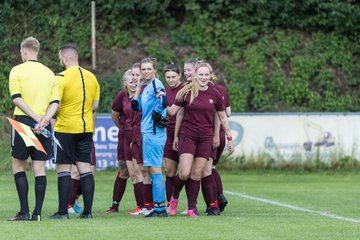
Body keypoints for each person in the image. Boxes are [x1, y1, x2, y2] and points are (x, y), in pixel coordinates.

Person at [167, 61, 234, 217]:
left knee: (197, 173)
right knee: (184, 173)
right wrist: (161, 101)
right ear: (195, 75)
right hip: (188, 136)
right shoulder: (185, 92)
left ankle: (191, 208)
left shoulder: (215, 94)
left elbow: (223, 117)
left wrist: (229, 138)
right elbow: (172, 112)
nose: (203, 77)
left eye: (206, 75)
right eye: (201, 74)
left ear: (209, 76)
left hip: (206, 138)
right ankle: (174, 197)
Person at [8, 36, 59, 221]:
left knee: (18, 164)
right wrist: (44, 119)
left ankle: (24, 212)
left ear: (24, 51)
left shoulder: (17, 70)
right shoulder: (49, 73)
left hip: (23, 122)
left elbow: (16, 98)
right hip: (43, 125)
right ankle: (37, 213)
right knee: (39, 167)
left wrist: (35, 117)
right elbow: (55, 102)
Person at [49, 44, 100, 219]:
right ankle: (88, 212)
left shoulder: (61, 77)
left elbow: (55, 103)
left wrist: (49, 116)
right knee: (85, 169)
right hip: (86, 129)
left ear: (64, 58)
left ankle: (63, 212)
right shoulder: (92, 77)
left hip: (65, 129)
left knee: (64, 170)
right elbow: (95, 105)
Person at [131, 57, 168, 217]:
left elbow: (164, 100)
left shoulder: (156, 84)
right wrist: (138, 87)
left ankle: (160, 209)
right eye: (143, 69)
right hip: (146, 132)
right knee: (151, 169)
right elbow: (135, 105)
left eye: (148, 69)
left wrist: (156, 113)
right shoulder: (146, 87)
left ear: (154, 70)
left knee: (154, 169)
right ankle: (158, 207)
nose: (146, 72)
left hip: (154, 132)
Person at [163, 62, 184, 206]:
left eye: (173, 77)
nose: (170, 80)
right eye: (168, 77)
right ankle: (170, 204)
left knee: (185, 172)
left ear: (179, 76)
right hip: (168, 134)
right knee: (169, 171)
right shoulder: (163, 91)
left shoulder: (186, 90)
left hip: (185, 134)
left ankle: (190, 204)